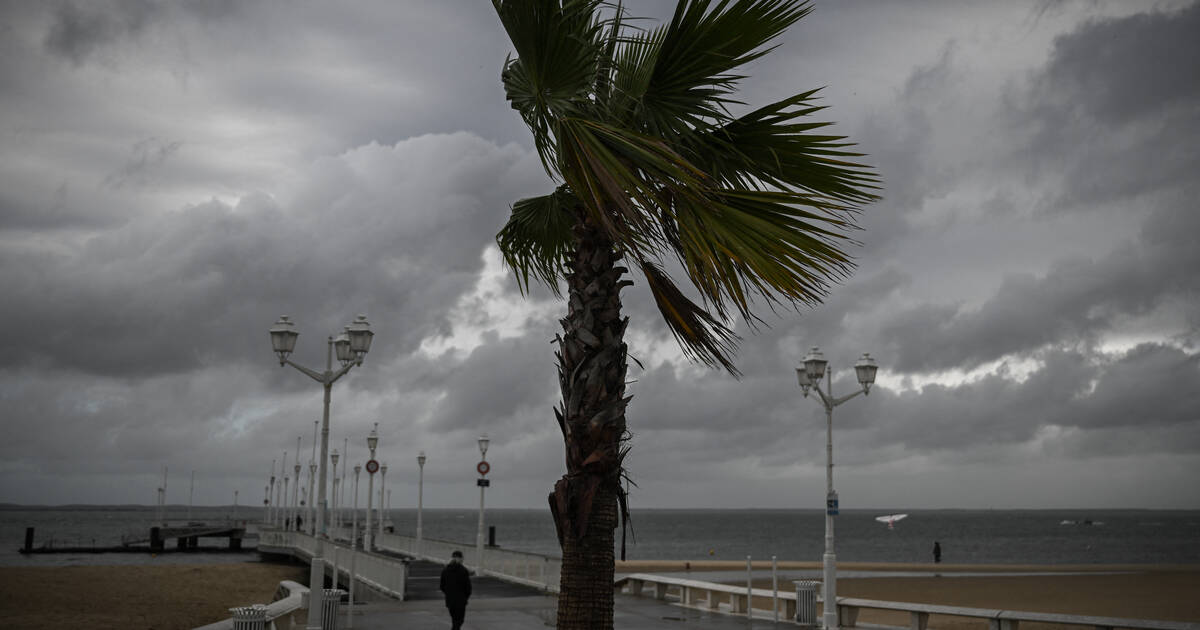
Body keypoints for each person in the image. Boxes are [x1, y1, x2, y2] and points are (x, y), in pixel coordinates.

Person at [440, 550, 472, 630]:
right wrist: (465, 597)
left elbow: (442, 586)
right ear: (460, 559)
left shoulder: (445, 570)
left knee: (455, 620)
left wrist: (448, 593)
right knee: (459, 620)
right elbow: (468, 587)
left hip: (450, 600)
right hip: (461, 600)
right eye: (462, 558)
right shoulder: (463, 571)